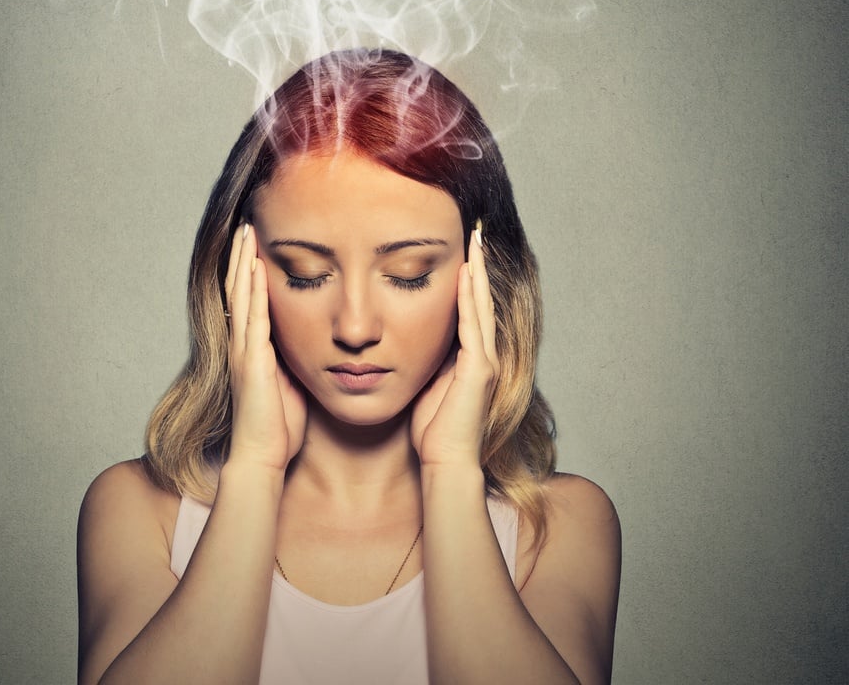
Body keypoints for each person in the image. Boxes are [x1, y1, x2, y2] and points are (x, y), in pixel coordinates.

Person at [76, 48, 621, 685]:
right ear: (240, 275)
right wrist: (254, 467)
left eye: (409, 275)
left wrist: (449, 470)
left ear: (482, 277)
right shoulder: (140, 512)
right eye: (306, 274)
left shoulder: (558, 530)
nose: (355, 328)